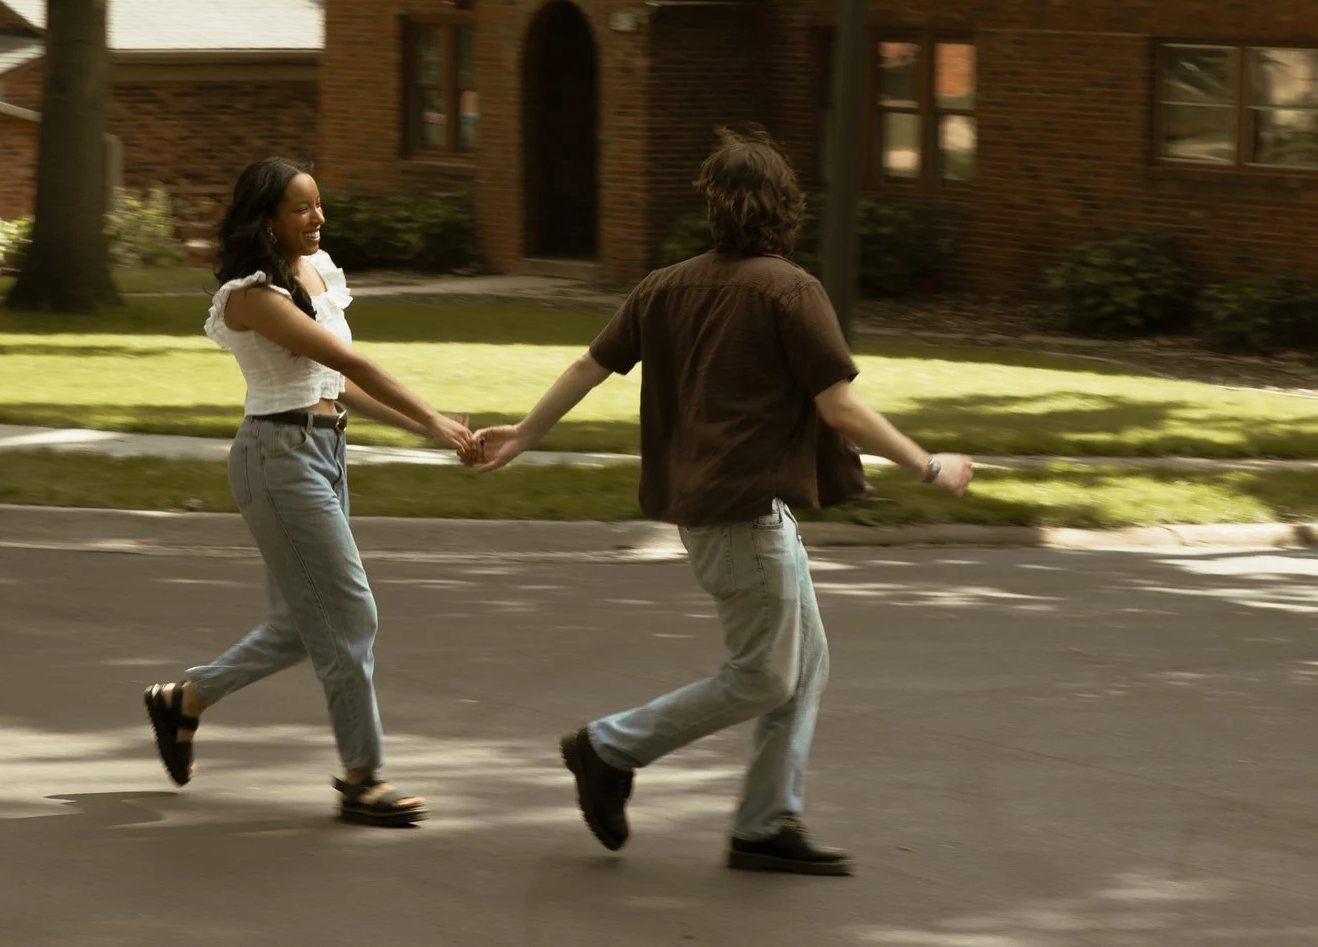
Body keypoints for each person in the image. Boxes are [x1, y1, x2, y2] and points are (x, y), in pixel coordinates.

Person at [476, 128, 975, 876]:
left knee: (804, 664)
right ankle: (608, 747)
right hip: (743, 516)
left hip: (723, 511)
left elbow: (589, 365)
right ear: (785, 207)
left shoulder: (664, 286)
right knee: (765, 675)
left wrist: (526, 432)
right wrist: (928, 464)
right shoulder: (789, 289)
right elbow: (839, 407)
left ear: (715, 206)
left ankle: (765, 823)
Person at [143, 156, 479, 827]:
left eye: (319, 203)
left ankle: (184, 701)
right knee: (351, 615)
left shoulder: (316, 273)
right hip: (278, 460)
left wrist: (425, 427)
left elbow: (335, 384)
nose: (319, 216)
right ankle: (363, 779)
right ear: (267, 219)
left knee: (300, 627)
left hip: (323, 451)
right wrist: (436, 418)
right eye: (302, 207)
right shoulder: (251, 296)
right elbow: (347, 359)